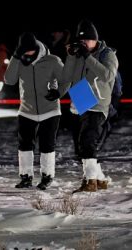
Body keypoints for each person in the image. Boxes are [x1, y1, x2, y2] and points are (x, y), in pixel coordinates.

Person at [5, 32, 69, 190]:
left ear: (36, 48)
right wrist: (15, 57)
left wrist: (58, 93)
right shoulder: (19, 60)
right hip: (26, 110)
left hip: (50, 110)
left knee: (47, 144)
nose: (28, 55)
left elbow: (66, 79)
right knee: (25, 145)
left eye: (30, 52)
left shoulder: (52, 61)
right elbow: (9, 79)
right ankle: (26, 177)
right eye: (24, 52)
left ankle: (47, 176)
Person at [63, 20, 119, 192]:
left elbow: (107, 75)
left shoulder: (107, 54)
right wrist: (72, 55)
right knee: (82, 144)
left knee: (87, 141)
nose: (84, 44)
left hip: (98, 101)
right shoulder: (79, 54)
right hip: (81, 99)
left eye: (87, 40)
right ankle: (100, 179)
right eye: (81, 41)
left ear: (95, 40)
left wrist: (87, 57)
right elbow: (67, 76)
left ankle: (90, 181)